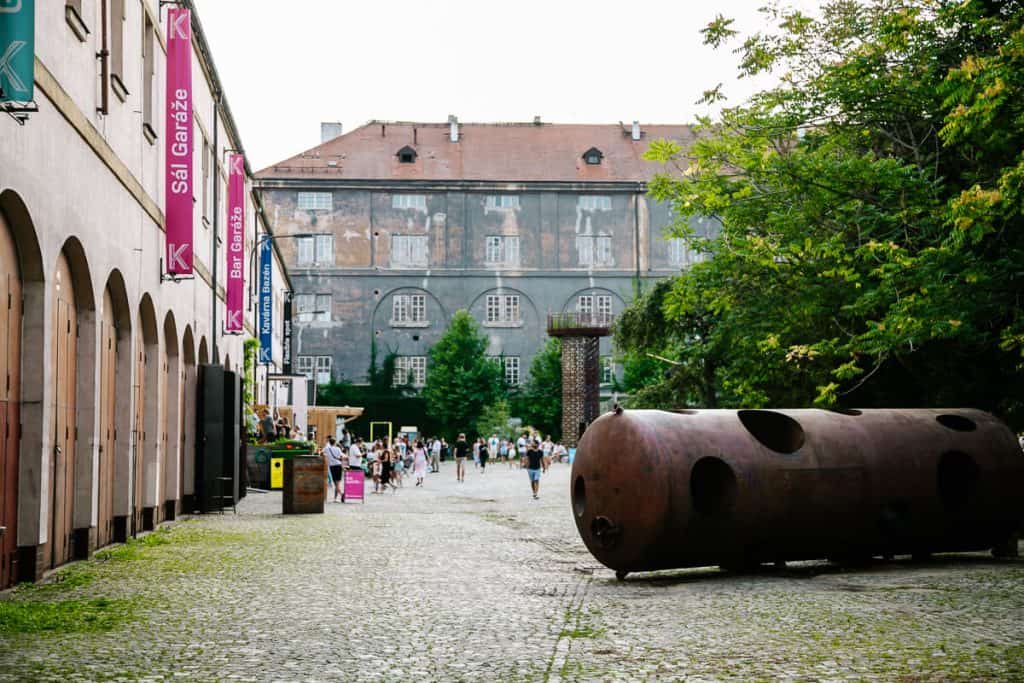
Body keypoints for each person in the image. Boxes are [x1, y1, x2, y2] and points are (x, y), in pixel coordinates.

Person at [324, 436, 345, 503]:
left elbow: (321, 453)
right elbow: (342, 456)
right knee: (338, 482)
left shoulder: (327, 449)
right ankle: (336, 498)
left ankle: (341, 494)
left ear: (329, 442)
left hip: (332, 466)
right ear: (335, 442)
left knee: (336, 483)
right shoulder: (338, 449)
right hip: (339, 465)